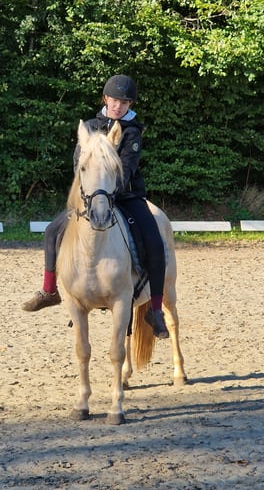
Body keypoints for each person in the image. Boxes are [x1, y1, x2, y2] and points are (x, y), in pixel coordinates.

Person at [21, 74, 169, 339]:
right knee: (52, 232)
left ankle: (155, 309)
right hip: (91, 198)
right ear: (106, 99)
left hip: (127, 197)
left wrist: (108, 189)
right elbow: (79, 163)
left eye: (125, 102)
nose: (119, 106)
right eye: (115, 100)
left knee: (155, 242)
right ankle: (49, 290)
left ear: (129, 104)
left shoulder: (132, 131)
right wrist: (92, 192)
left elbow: (126, 169)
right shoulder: (89, 127)